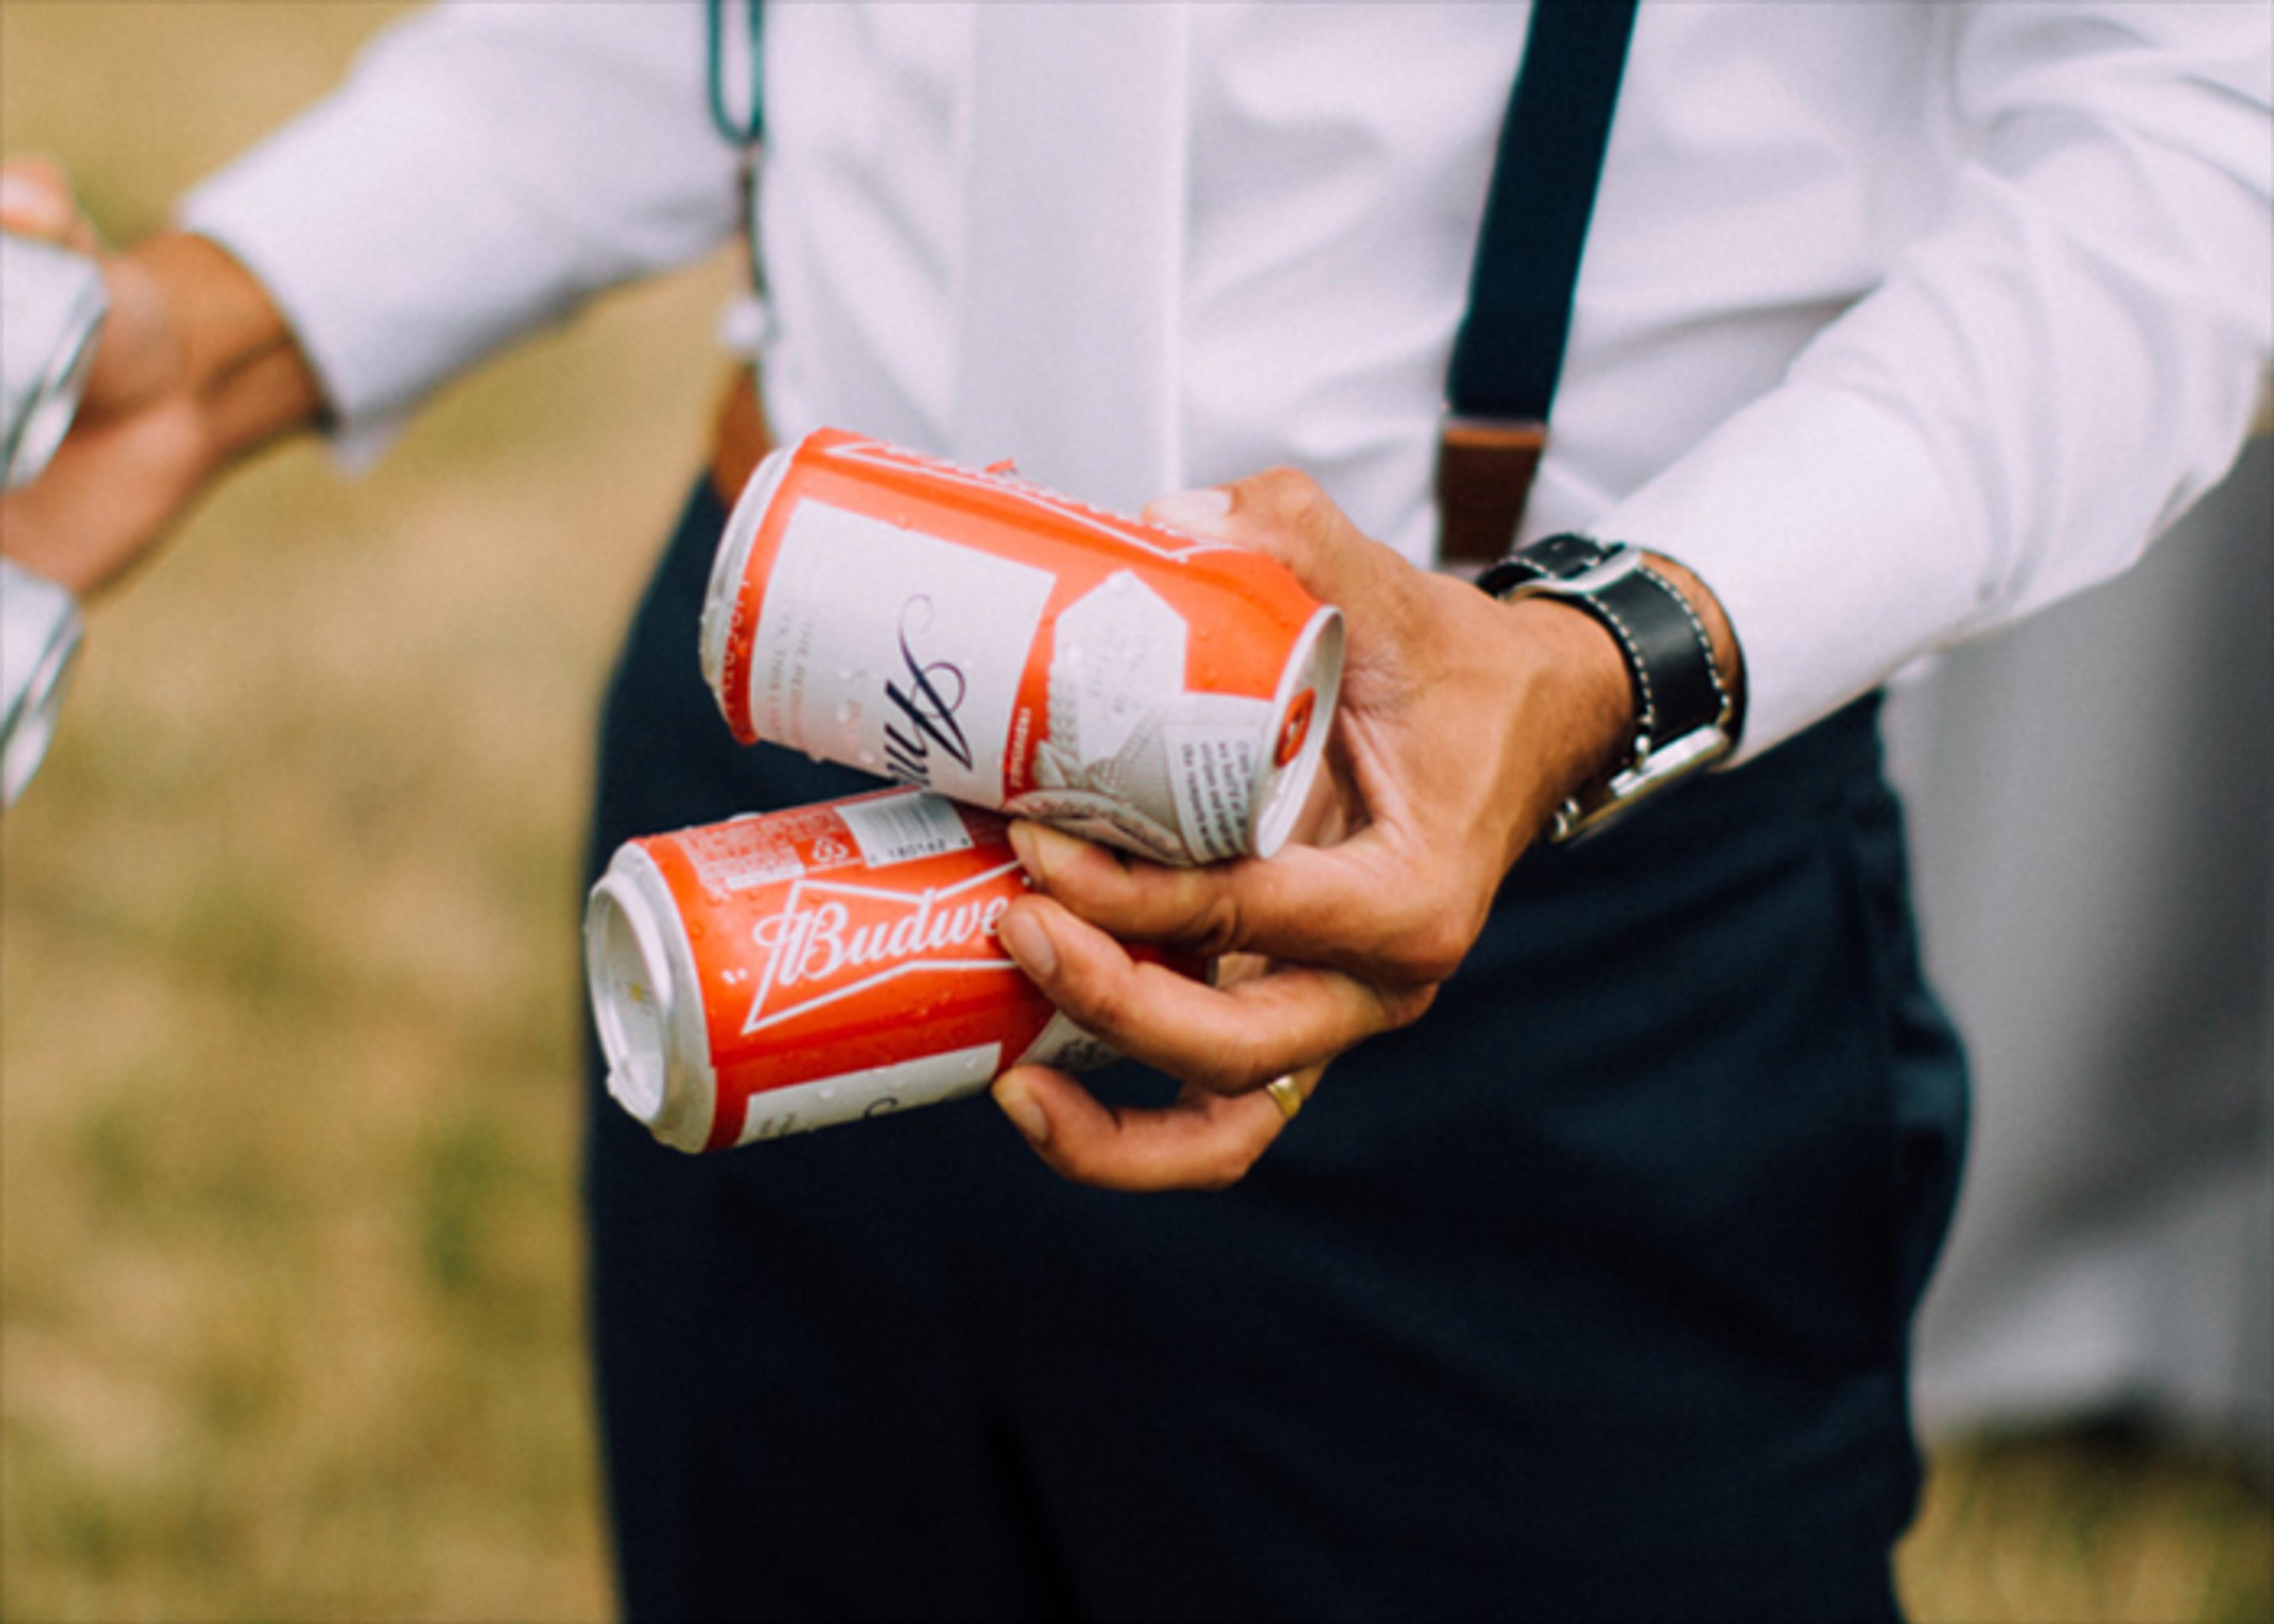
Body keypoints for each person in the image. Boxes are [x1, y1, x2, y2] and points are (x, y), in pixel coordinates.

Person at [2, 3, 2266, 1617]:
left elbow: (2189, 121)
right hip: (788, 839)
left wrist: (1616, 653)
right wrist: (228, 329)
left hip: (1537, 934)